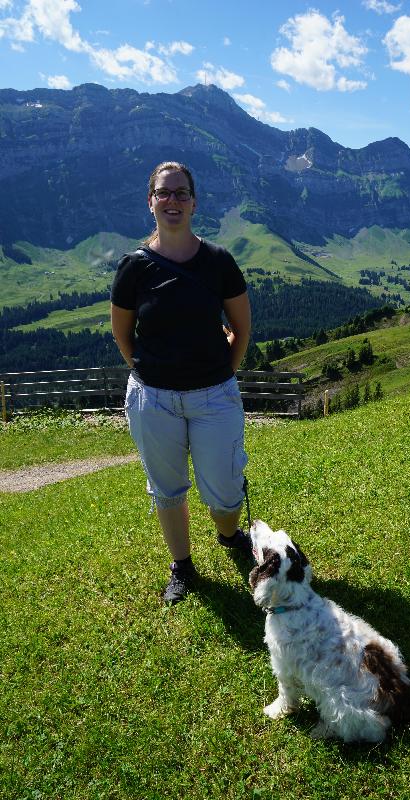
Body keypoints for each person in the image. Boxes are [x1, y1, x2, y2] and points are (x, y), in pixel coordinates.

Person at [110, 161, 252, 603]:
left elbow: (241, 328)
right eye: (164, 193)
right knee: (167, 490)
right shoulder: (133, 268)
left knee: (225, 490)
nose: (172, 200)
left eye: (181, 193)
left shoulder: (218, 262)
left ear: (194, 202)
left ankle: (228, 535)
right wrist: (149, 373)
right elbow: (123, 334)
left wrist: (223, 373)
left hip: (214, 395)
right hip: (153, 400)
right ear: (150, 202)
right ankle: (182, 566)